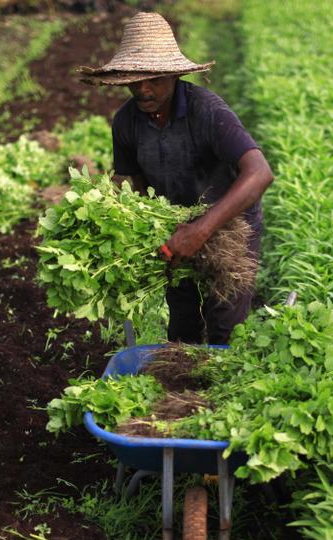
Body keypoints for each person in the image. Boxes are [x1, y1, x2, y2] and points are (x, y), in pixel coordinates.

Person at [79, 12, 273, 344]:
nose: (143, 89)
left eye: (153, 78)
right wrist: (129, 229)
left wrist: (201, 229)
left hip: (228, 227)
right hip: (175, 228)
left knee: (224, 326)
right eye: (134, 80)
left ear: (173, 75)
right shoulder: (126, 123)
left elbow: (260, 174)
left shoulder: (208, 111)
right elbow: (134, 184)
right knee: (183, 325)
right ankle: (182, 396)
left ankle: (223, 393)